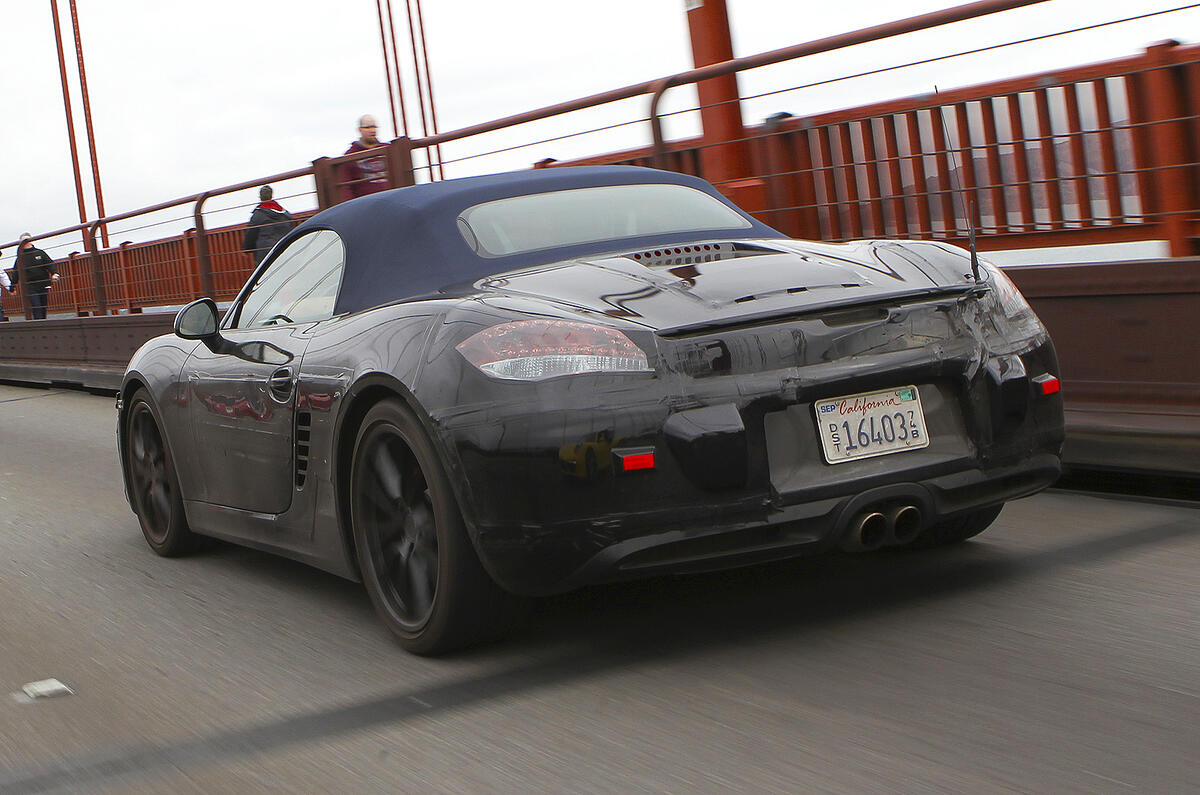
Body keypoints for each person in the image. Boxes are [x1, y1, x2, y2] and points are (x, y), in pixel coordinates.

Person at [340, 114, 389, 201]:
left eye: (374, 127)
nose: (372, 130)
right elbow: (346, 186)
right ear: (360, 130)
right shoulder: (350, 156)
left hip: (390, 199)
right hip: (366, 204)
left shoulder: (388, 149)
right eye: (368, 127)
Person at [242, 185, 295, 266]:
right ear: (271, 195)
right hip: (285, 251)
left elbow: (251, 234)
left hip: (266, 254)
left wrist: (246, 249)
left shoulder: (258, 215)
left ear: (260, 197)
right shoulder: (285, 213)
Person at [11, 233, 58, 319]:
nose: (26, 242)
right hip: (30, 285)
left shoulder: (39, 252)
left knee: (43, 306)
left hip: (43, 283)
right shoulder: (20, 257)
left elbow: (49, 263)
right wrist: (12, 286)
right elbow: (16, 272)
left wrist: (53, 273)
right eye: (23, 240)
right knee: (36, 306)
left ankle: (43, 323)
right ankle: (38, 325)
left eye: (27, 240)